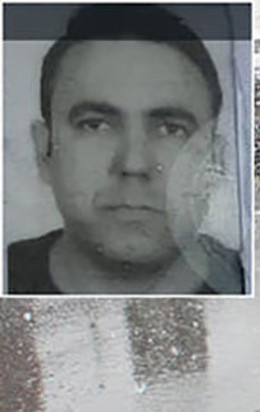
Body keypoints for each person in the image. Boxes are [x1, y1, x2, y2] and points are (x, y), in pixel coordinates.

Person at [5, 3, 245, 295]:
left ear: (215, 161)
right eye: (95, 125)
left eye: (171, 129)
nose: (133, 163)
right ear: (44, 150)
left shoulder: (249, 280)